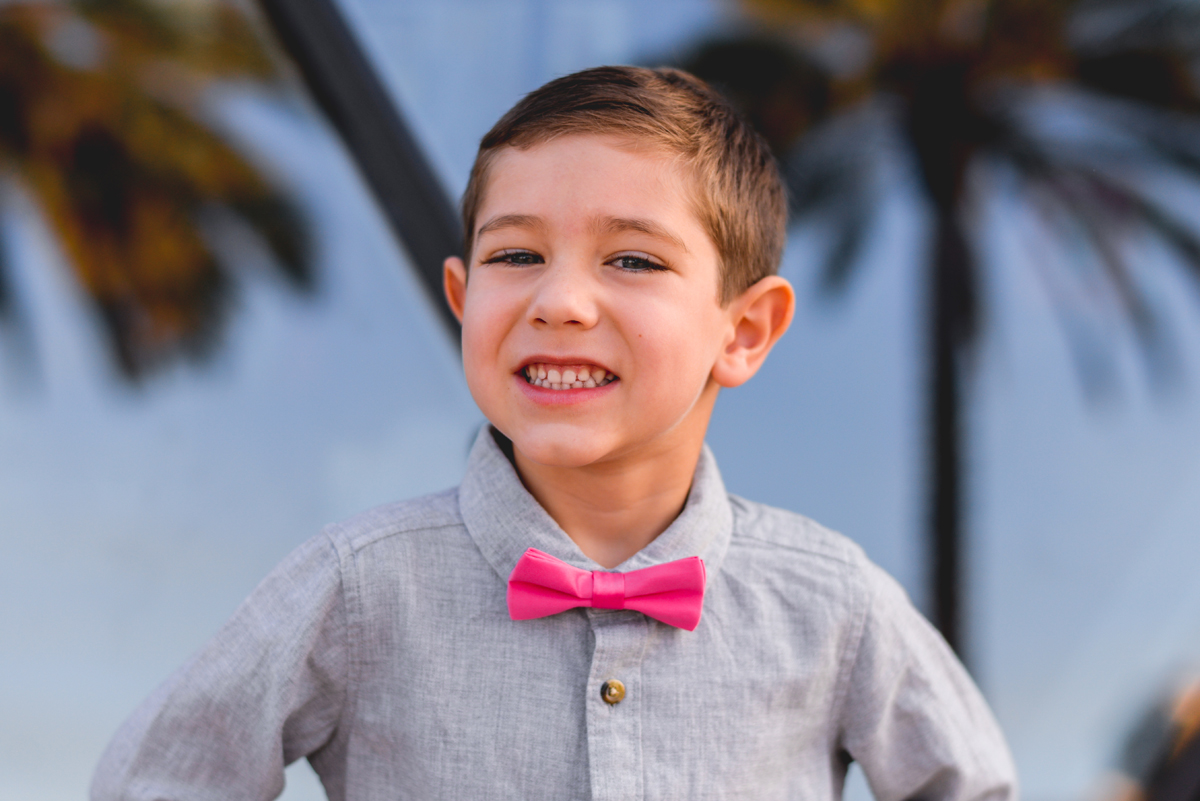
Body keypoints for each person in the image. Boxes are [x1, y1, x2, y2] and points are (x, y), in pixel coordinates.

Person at [92, 65, 1017, 800]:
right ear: (464, 301)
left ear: (742, 332)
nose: (560, 300)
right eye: (517, 254)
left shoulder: (832, 601)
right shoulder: (359, 586)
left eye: (632, 258)